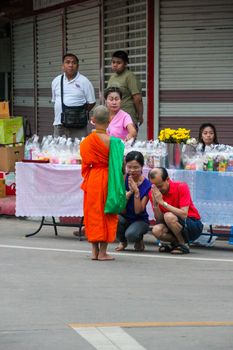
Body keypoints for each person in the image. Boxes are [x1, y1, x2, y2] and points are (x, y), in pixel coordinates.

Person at [80, 105, 125, 261]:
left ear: (92, 120)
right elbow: (121, 167)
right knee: (108, 212)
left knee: (93, 213)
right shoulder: (115, 143)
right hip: (109, 179)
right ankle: (103, 252)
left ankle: (94, 251)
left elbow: (85, 165)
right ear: (109, 120)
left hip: (93, 178)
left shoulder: (86, 142)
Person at [148, 167, 203, 254]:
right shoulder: (153, 193)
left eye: (160, 186)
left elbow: (184, 214)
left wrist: (162, 203)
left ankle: (183, 244)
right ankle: (175, 243)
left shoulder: (181, 187)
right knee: (156, 230)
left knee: (168, 216)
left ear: (167, 179)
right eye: (154, 187)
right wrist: (156, 205)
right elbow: (159, 220)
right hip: (172, 225)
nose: (157, 190)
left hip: (192, 224)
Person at [51, 53, 96, 139]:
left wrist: (79, 113)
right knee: (58, 151)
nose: (70, 65)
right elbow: (55, 101)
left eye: (74, 63)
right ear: (62, 66)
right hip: (59, 125)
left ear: (77, 66)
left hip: (78, 126)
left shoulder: (84, 81)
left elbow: (92, 102)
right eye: (67, 62)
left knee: (79, 150)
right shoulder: (56, 81)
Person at [115, 151, 151, 252]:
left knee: (131, 235)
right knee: (114, 217)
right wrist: (126, 197)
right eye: (129, 167)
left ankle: (138, 239)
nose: (132, 170)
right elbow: (120, 210)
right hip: (125, 216)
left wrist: (136, 192)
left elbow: (138, 211)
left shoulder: (147, 185)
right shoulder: (123, 179)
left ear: (142, 167)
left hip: (140, 220)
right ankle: (122, 241)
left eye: (136, 167)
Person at [107, 50, 143, 127]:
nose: (115, 65)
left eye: (119, 63)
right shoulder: (112, 77)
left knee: (128, 138)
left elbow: (138, 99)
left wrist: (140, 116)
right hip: (113, 117)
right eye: (113, 62)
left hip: (127, 116)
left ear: (125, 64)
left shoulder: (130, 76)